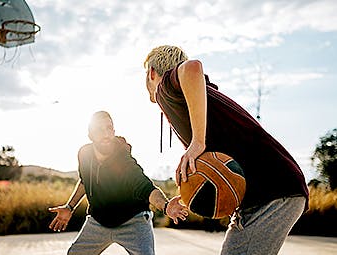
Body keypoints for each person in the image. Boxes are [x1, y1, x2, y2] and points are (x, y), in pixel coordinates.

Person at [143, 45, 309, 254]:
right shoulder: (196, 98)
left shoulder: (166, 86)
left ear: (151, 73)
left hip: (272, 190)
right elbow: (221, 161)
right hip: (271, 189)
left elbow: (193, 67)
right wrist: (190, 193)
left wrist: (197, 142)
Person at [48, 111, 188, 255]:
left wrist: (165, 206)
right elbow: (84, 181)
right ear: (90, 134)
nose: (106, 133)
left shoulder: (124, 161)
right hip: (98, 221)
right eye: (100, 129)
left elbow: (146, 188)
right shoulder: (84, 154)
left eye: (109, 128)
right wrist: (70, 206)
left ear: (114, 131)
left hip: (133, 220)